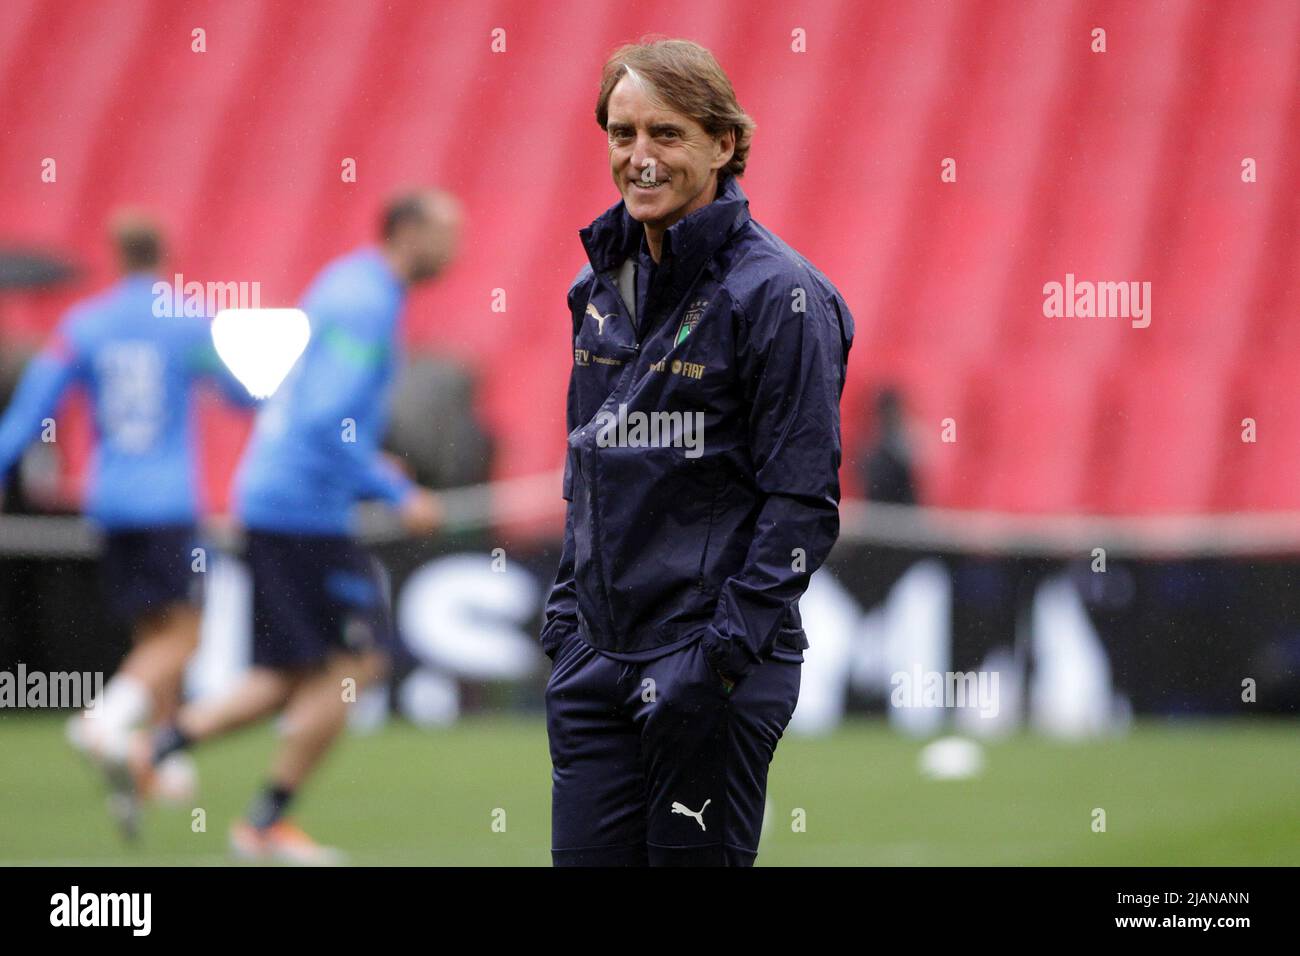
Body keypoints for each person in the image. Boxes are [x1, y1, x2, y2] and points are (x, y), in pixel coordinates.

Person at [542, 39, 854, 866]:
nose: (639, 158)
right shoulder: (597, 286)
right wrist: (568, 622)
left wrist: (715, 659)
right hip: (596, 661)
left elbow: (803, 504)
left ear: (724, 144)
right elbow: (590, 469)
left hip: (706, 668)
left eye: (666, 134)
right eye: (621, 133)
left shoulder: (781, 296)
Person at [142, 190, 461, 864]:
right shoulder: (368, 302)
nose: (454, 250)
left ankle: (155, 748)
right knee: (361, 659)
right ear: (407, 232)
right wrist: (396, 489)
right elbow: (324, 420)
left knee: (291, 674)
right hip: (300, 512)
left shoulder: (352, 283)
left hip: (285, 504)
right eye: (445, 234)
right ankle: (257, 819)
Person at [0, 211, 256, 833]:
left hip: (110, 501)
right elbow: (240, 393)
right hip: (169, 503)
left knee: (154, 632)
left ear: (114, 252)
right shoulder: (186, 319)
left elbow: (34, 407)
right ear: (163, 251)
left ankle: (160, 762)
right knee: (185, 636)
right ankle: (106, 721)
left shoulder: (84, 324)